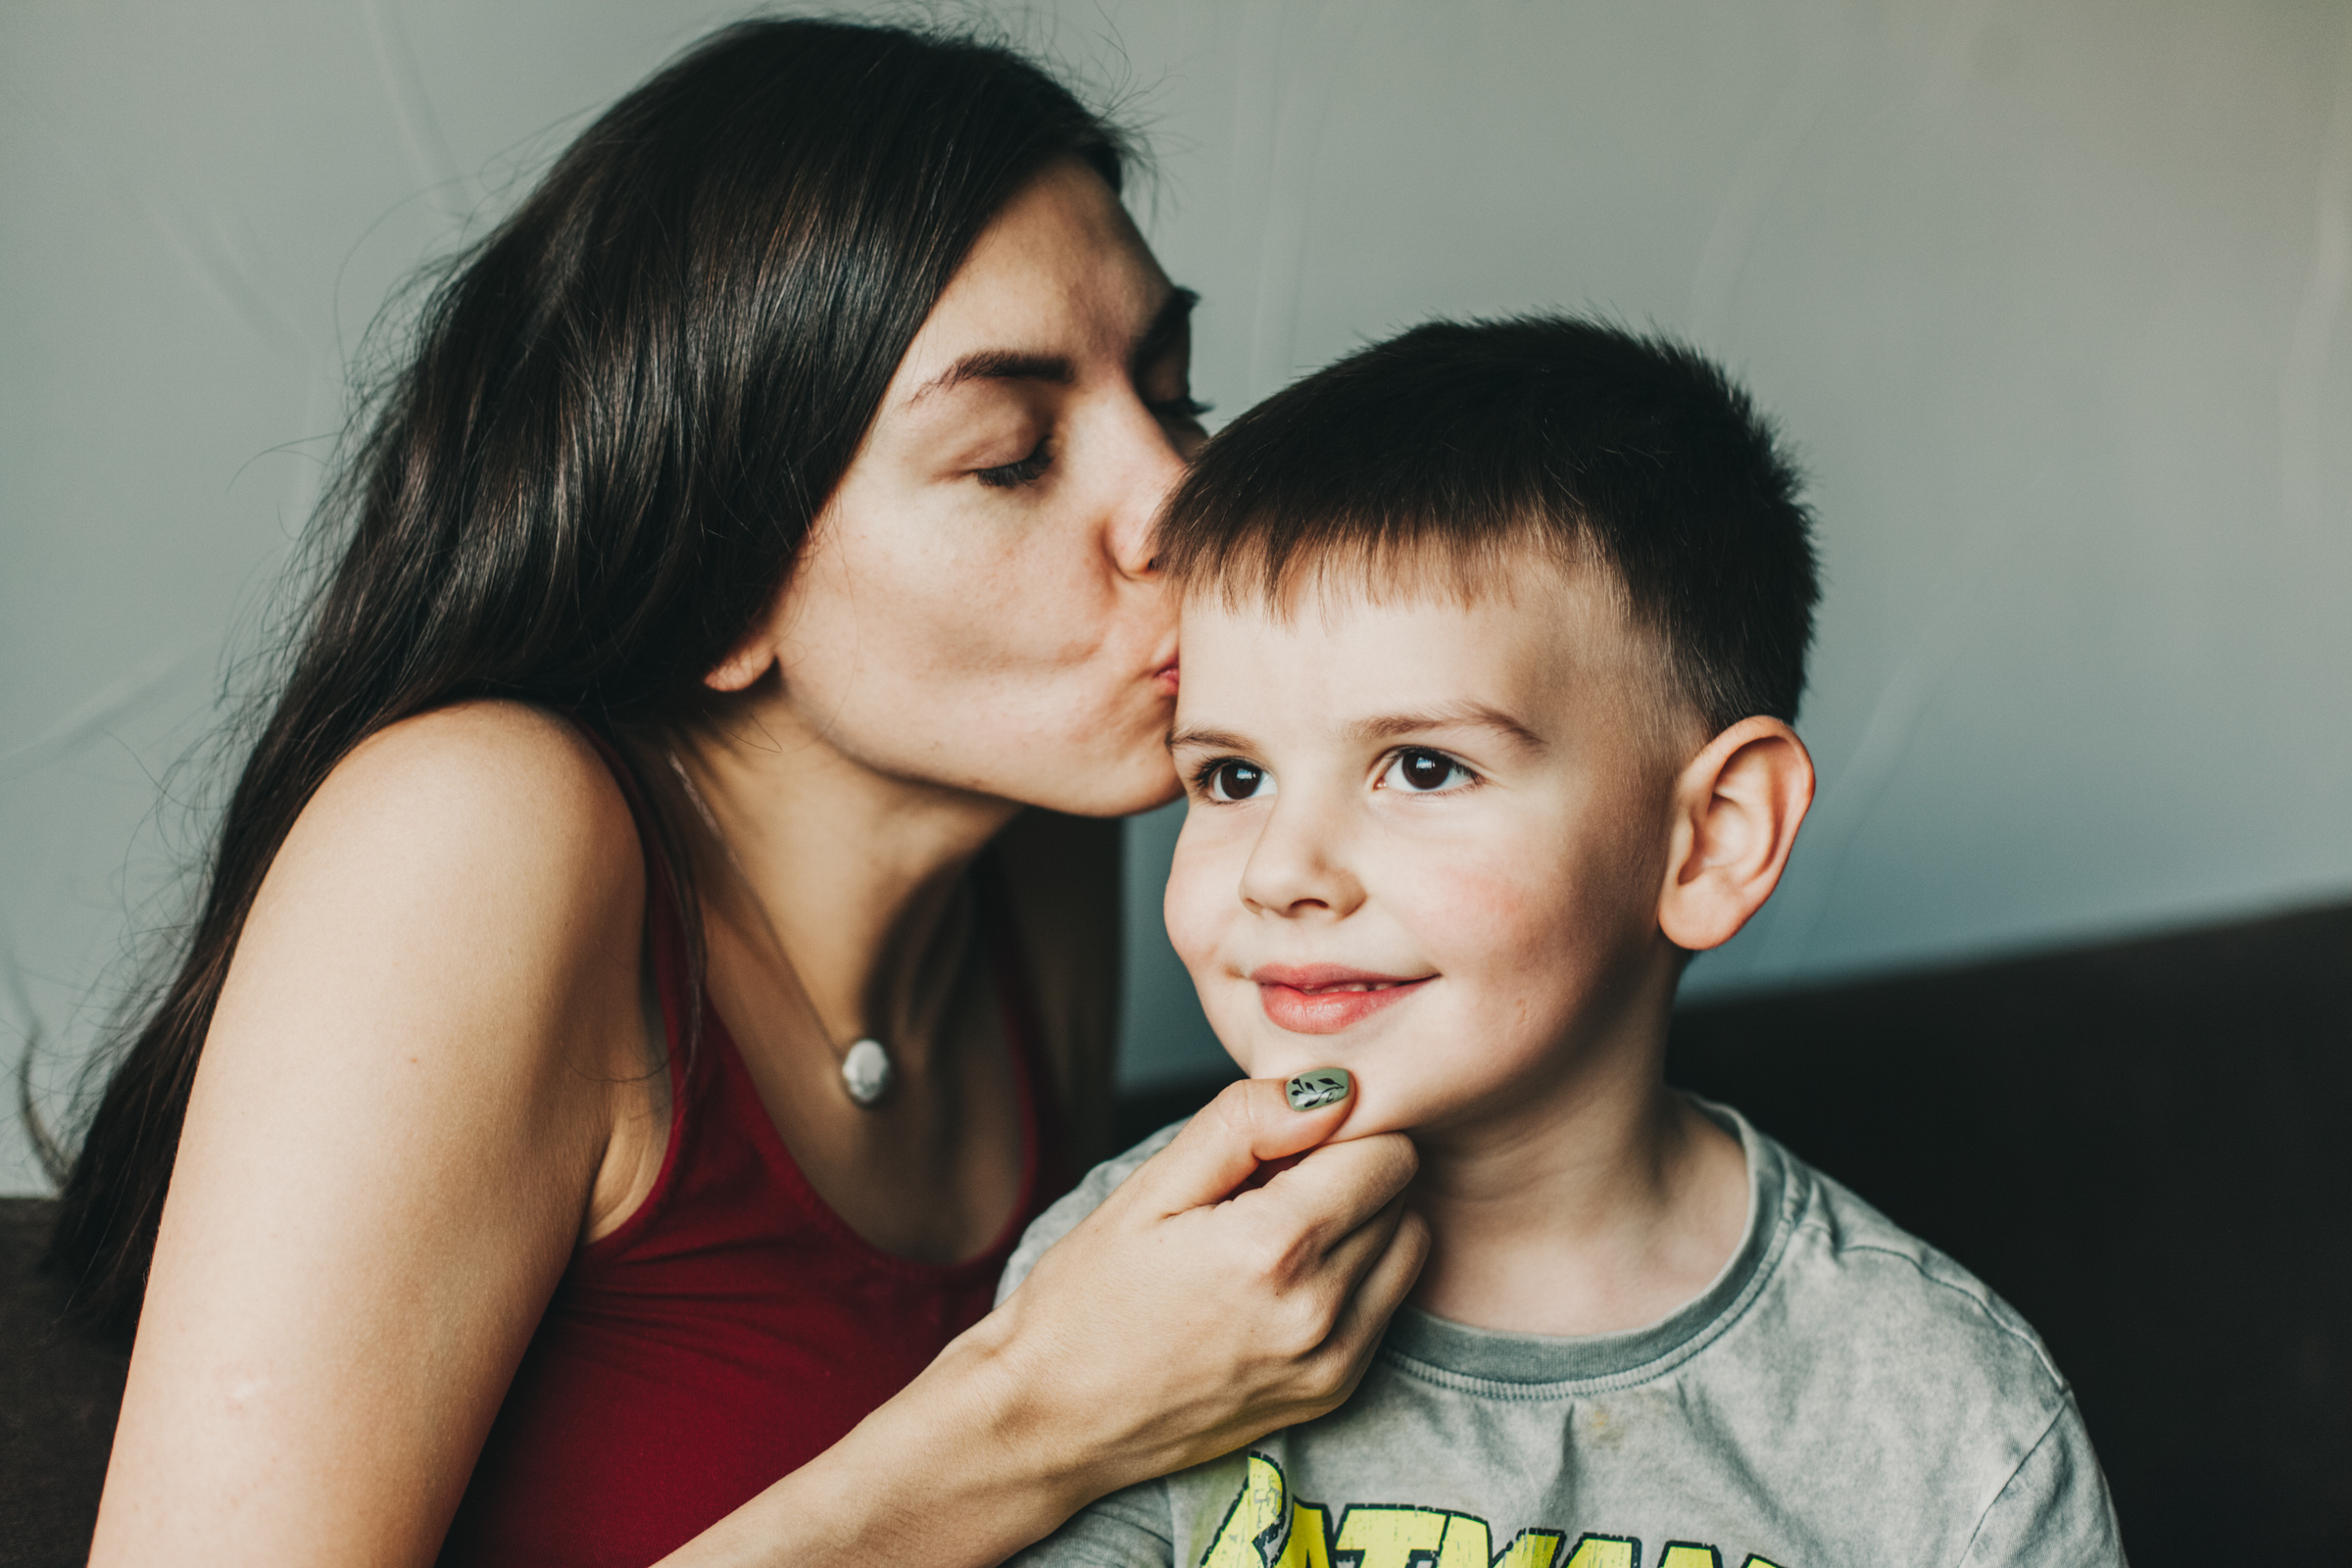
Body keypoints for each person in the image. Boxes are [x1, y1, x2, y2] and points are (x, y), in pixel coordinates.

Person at [45, 20, 1431, 1567]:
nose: (1183, 502)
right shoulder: (475, 833)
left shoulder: (1049, 842)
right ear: (719, 580)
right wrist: (1038, 1418)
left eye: (1173, 393)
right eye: (1012, 454)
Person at [1002, 317, 2127, 1567]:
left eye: (1422, 767)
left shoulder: (1942, 1421)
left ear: (1712, 840)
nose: (1281, 872)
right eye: (1229, 777)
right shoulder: (1130, 1286)